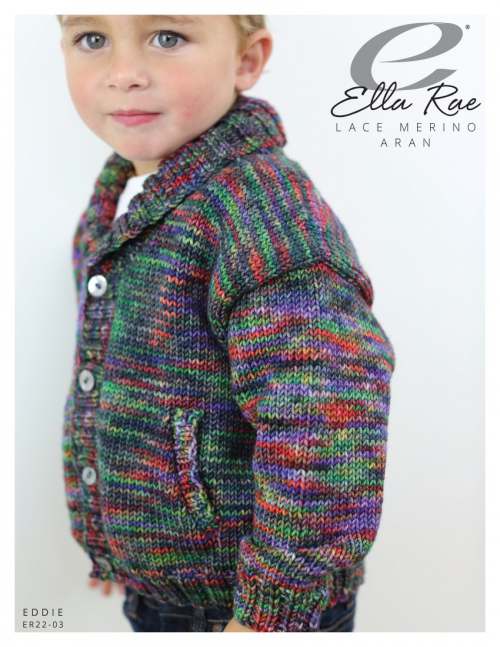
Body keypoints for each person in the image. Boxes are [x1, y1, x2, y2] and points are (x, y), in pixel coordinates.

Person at [58, 14, 396, 632]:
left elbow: (326, 419)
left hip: (244, 605)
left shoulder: (263, 212)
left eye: (167, 37)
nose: (123, 74)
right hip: (168, 587)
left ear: (246, 60)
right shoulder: (123, 195)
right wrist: (118, 541)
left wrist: (271, 609)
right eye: (92, 39)